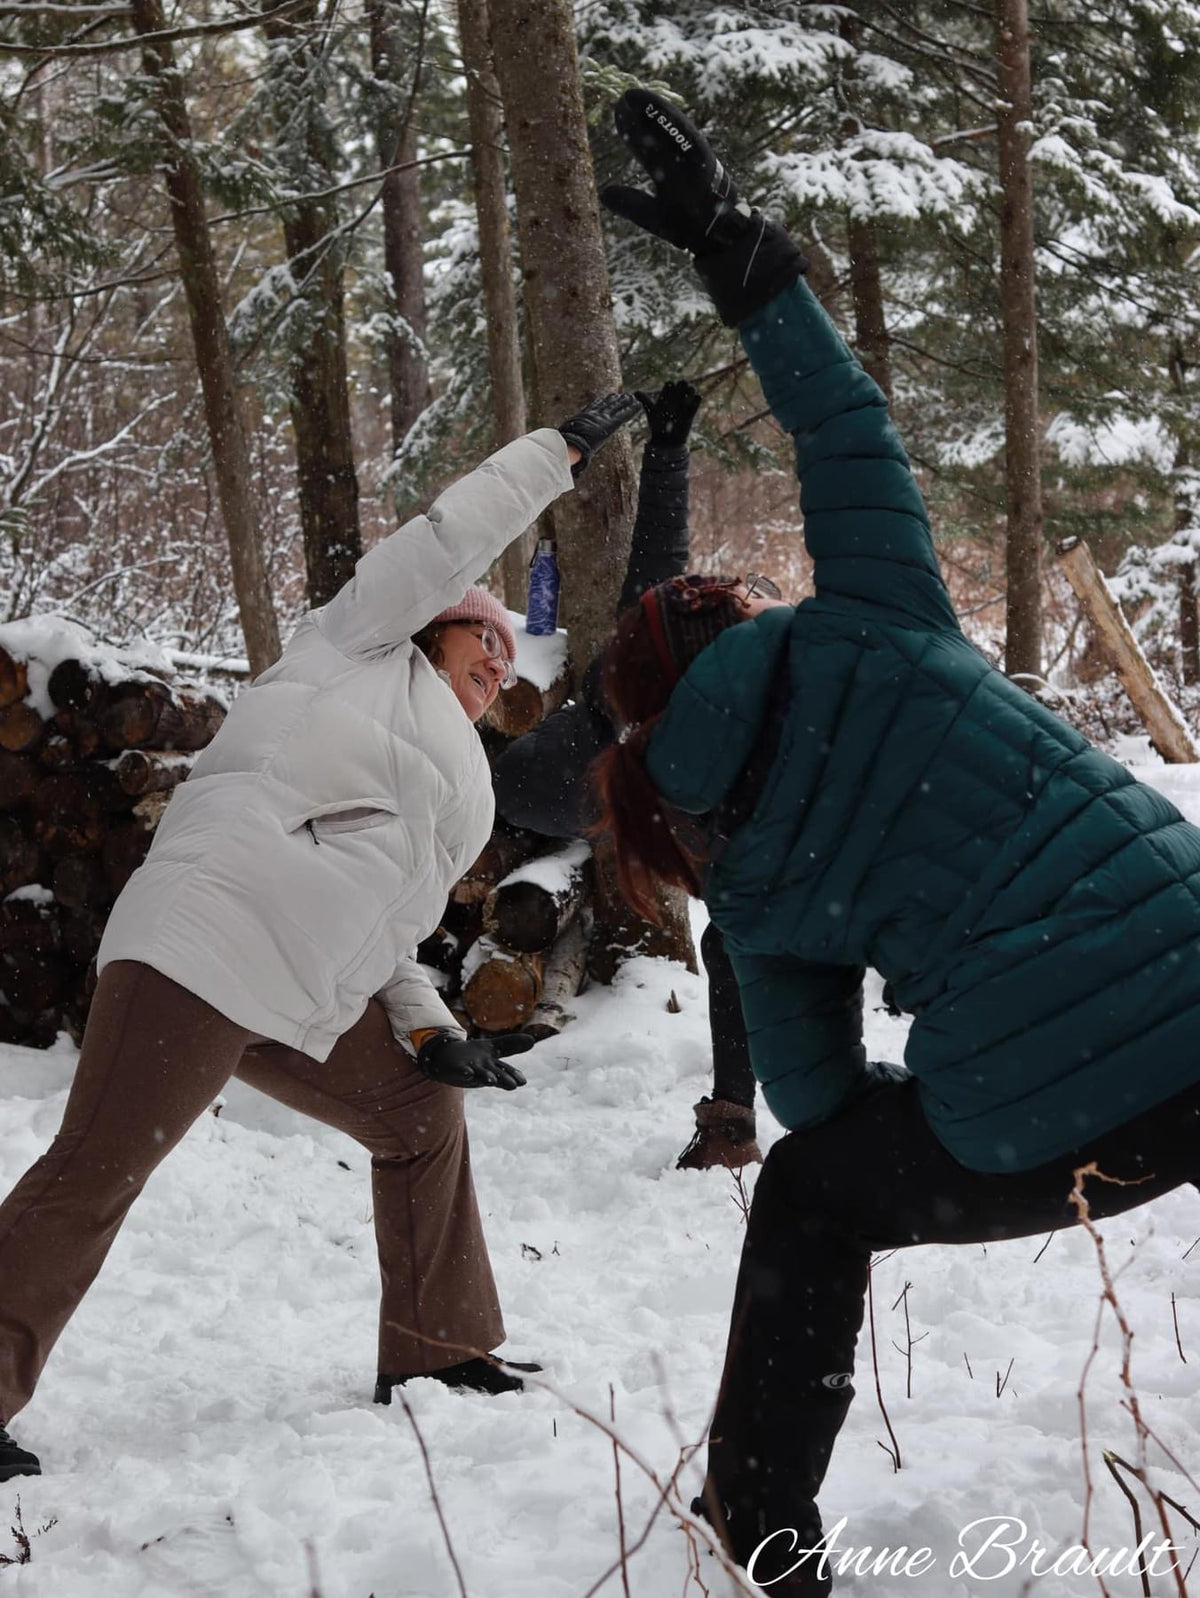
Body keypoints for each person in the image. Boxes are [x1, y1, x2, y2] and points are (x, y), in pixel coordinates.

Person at [595, 90, 1200, 1594]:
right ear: (732, 619)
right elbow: (841, 417)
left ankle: (762, 1524)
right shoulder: (875, 606)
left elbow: (809, 1098)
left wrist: (956, 1065)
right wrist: (736, 250)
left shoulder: (737, 883)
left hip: (1055, 1125)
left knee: (815, 1197)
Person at [0, 392, 640, 1482]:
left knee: (417, 1108)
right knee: (96, 1168)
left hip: (291, 988)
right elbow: (450, 532)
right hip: (200, 945)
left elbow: (376, 925)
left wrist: (433, 1031)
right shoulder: (351, 650)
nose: (498, 662)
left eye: (506, 659)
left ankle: (439, 1349)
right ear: (431, 621)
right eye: (481, 636)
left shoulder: (448, 775)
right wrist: (558, 453)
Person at [491, 381, 762, 1170]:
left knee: (739, 948)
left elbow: (657, 569)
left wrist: (669, 454)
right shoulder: (664, 736)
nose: (742, 598)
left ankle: (740, 1122)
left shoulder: (634, 690)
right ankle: (738, 1123)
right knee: (739, 949)